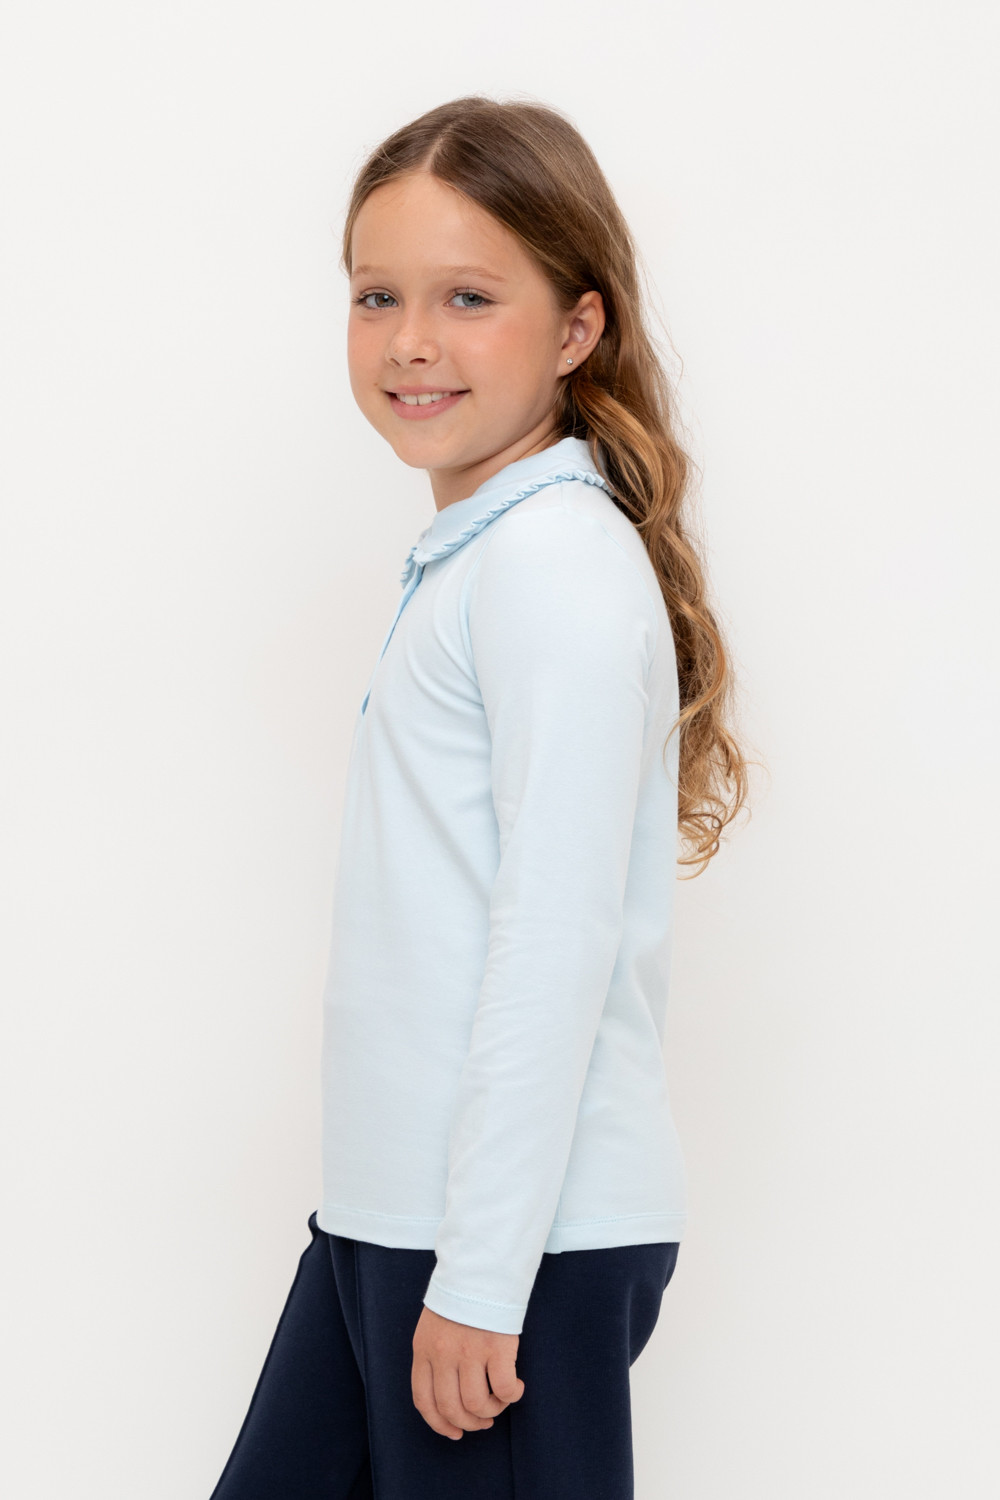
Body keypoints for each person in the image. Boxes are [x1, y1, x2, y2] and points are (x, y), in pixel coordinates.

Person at [208, 94, 748, 1500]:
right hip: (390, 1218)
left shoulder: (553, 567)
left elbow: (552, 940)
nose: (410, 341)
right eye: (376, 295)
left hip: (505, 1251)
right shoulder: (484, 555)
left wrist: (483, 1276)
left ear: (576, 329)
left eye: (467, 297)